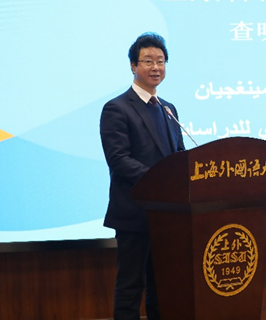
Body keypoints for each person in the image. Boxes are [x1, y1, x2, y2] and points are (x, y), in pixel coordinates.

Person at [100, 32, 185, 320]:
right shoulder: (117, 108)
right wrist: (160, 181)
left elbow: (179, 157)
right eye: (148, 61)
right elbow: (119, 160)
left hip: (167, 216)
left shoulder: (168, 109)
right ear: (133, 66)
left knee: (162, 287)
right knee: (131, 287)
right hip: (134, 213)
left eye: (160, 61)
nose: (155, 67)